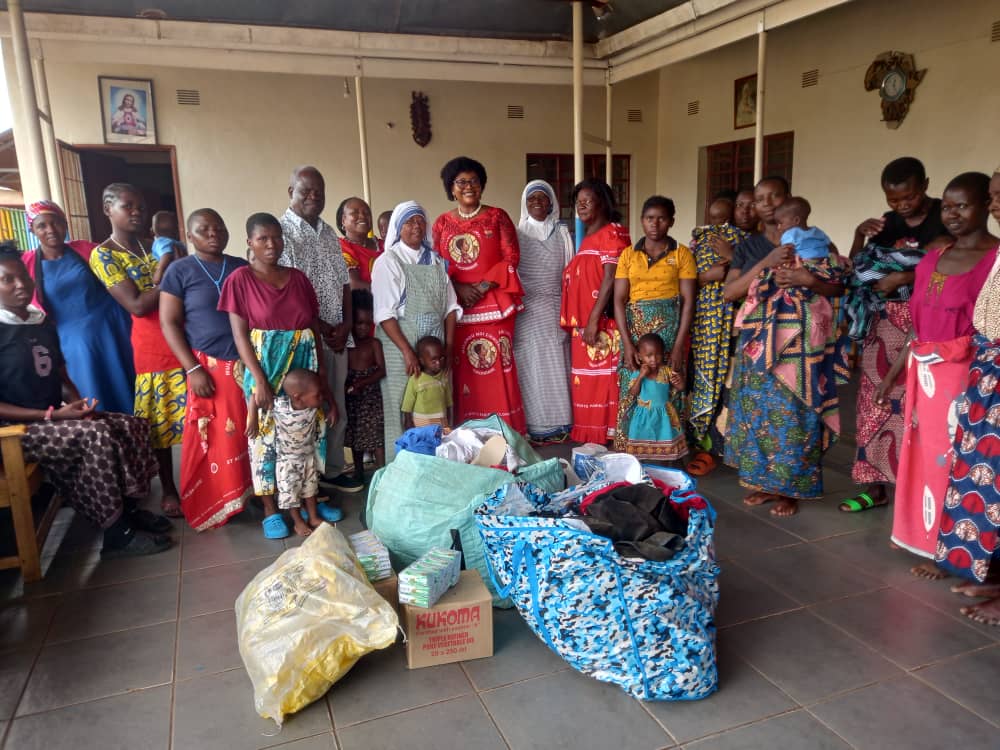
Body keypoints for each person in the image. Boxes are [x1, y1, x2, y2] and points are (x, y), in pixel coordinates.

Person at [0, 243, 170, 558]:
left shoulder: (40, 322)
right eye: (7, 280)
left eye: (23, 276)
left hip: (54, 417)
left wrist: (78, 405)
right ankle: (116, 533)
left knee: (130, 425)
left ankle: (129, 509)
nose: (20, 284)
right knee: (96, 435)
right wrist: (51, 416)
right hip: (16, 429)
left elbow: (60, 375)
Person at [886, 172, 998, 576]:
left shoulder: (994, 259)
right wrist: (893, 375)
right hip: (925, 375)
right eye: (947, 206)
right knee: (923, 457)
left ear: (985, 205)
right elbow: (918, 325)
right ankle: (920, 536)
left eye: (962, 206)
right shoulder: (933, 258)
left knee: (955, 458)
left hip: (968, 375)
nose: (952, 214)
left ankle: (947, 548)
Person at [723, 177, 846, 517]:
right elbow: (730, 292)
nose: (766, 203)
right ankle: (764, 483)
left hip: (801, 346)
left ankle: (791, 488)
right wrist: (767, 262)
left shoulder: (818, 240)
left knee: (796, 414)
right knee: (757, 415)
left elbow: (837, 286)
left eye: (774, 196)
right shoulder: (749, 246)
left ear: (789, 201)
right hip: (757, 345)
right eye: (759, 198)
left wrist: (809, 280)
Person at [219, 212, 340, 539]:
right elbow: (240, 336)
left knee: (307, 434)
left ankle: (309, 503)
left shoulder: (298, 278)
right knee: (267, 438)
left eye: (276, 237)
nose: (271, 244)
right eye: (263, 238)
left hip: (304, 364)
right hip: (266, 367)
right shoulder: (240, 280)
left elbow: (312, 327)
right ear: (250, 242)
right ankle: (272, 509)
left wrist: (322, 374)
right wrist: (259, 380)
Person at [841, 157, 947, 512]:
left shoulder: (946, 217)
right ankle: (874, 487)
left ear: (926, 185)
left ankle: (917, 491)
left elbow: (954, 265)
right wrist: (860, 234)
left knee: (918, 408)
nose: (902, 205)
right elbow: (859, 268)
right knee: (874, 402)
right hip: (883, 323)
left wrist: (906, 277)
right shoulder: (888, 223)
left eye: (909, 197)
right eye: (893, 199)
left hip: (926, 323)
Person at [90, 183, 186, 518]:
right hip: (151, 343)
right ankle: (169, 488)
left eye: (141, 207)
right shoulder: (104, 254)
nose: (136, 212)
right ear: (108, 210)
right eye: (127, 206)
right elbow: (137, 304)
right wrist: (168, 271)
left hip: (185, 334)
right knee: (160, 425)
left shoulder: (155, 244)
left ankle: (205, 481)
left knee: (200, 416)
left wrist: (171, 266)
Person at [934, 165, 1000, 626]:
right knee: (988, 480)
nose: (995, 204)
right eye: (993, 195)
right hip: (988, 373)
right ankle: (995, 574)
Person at [159, 208, 252, 532]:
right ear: (189, 235)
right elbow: (169, 323)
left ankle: (251, 495)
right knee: (215, 439)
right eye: (204, 229)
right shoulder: (179, 270)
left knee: (248, 434)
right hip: (208, 367)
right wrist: (193, 368)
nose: (214, 233)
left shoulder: (240, 266)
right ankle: (218, 501)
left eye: (219, 227)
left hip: (246, 364)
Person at [279, 166, 361, 493]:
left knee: (336, 403)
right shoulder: (281, 232)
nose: (314, 196)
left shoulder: (328, 232)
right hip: (304, 337)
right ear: (291, 192)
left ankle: (333, 471)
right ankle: (308, 480)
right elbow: (289, 292)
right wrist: (323, 327)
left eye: (319, 192)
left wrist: (346, 324)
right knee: (307, 408)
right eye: (306, 191)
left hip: (338, 335)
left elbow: (344, 283)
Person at [432, 156, 525, 430]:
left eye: (474, 181)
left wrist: (483, 287)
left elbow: (511, 257)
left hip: (495, 303)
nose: (468, 186)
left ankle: (505, 433)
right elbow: (436, 263)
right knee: (464, 370)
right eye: (461, 182)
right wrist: (459, 288)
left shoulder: (497, 216)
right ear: (451, 188)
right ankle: (469, 435)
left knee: (498, 366)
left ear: (482, 185)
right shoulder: (441, 223)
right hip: (458, 308)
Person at [23, 200, 135, 415]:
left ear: (65, 224)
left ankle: (141, 431)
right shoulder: (26, 263)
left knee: (127, 381)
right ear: (32, 230)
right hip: (73, 341)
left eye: (56, 223)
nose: (50, 229)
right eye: (42, 226)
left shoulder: (86, 249)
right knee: (92, 392)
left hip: (113, 328)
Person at [371, 201, 461, 459]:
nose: (416, 226)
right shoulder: (388, 261)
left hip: (435, 350)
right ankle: (402, 467)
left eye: (420, 220)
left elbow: (451, 308)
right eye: (409, 222)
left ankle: (435, 465)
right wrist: (408, 352)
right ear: (398, 228)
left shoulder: (436, 261)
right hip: (400, 346)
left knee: (436, 406)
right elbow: (385, 314)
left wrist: (449, 348)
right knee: (403, 409)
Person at [613, 195, 696, 452]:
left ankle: (669, 448)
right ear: (642, 221)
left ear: (671, 221)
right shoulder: (628, 255)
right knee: (633, 385)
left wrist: (679, 345)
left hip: (669, 333)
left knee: (668, 386)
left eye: (661, 218)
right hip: (635, 331)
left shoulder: (682, 254)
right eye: (650, 218)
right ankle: (628, 447)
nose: (655, 224)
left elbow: (688, 301)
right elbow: (618, 300)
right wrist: (628, 344)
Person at [560, 179, 632, 443]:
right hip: (585, 326)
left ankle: (609, 438)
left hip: (603, 325)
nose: (581, 206)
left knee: (604, 384)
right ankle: (593, 439)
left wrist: (593, 320)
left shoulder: (613, 233)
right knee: (588, 385)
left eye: (587, 201)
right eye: (578, 202)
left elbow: (610, 279)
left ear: (603, 202)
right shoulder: (589, 238)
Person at [687, 197, 746, 472]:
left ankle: (729, 449)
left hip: (741, 328)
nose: (720, 226)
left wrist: (734, 257)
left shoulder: (753, 244)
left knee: (732, 390)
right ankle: (705, 446)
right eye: (714, 220)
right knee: (706, 383)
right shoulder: (700, 242)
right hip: (707, 326)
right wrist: (706, 276)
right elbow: (687, 278)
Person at [513, 179, 574, 442]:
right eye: (531, 198)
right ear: (525, 204)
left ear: (551, 203)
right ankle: (534, 424)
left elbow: (570, 270)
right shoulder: (516, 234)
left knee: (556, 363)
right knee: (530, 365)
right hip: (526, 310)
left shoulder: (561, 232)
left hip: (554, 306)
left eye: (542, 197)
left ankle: (560, 423)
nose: (537, 202)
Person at [256, 368, 328, 537]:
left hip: (308, 458)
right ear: (297, 396)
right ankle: (298, 521)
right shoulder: (280, 406)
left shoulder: (312, 407)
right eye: (317, 395)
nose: (321, 398)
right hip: (287, 462)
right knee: (291, 494)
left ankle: (313, 517)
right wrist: (252, 417)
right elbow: (255, 398)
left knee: (311, 490)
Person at [619, 333, 687, 461]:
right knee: (642, 442)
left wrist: (679, 380)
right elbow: (633, 393)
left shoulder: (666, 371)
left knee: (666, 439)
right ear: (640, 356)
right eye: (648, 355)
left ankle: (665, 464)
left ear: (664, 354)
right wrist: (641, 376)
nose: (653, 359)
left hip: (664, 414)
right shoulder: (637, 374)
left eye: (658, 355)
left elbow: (681, 387)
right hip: (644, 415)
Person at [345, 289, 385, 482]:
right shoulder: (347, 344)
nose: (363, 328)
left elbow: (381, 370)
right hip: (352, 397)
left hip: (370, 397)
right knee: (355, 436)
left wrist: (362, 382)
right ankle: (358, 472)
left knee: (376, 436)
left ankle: (383, 473)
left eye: (368, 323)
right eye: (359, 323)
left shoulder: (374, 343)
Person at [402, 335, 453, 430]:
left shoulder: (443, 377)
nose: (438, 363)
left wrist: (450, 422)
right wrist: (408, 422)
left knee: (441, 439)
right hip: (421, 423)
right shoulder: (416, 379)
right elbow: (407, 404)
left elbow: (449, 402)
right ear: (422, 361)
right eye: (433, 360)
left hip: (442, 421)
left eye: (441, 358)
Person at [337, 197, 381, 290]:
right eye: (355, 212)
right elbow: (353, 285)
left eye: (367, 213)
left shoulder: (385, 244)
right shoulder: (340, 247)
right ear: (343, 220)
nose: (362, 216)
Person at [150, 210, 186, 285]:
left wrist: (159, 271)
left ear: (152, 230)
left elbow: (166, 254)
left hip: (170, 272)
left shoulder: (160, 241)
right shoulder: (177, 243)